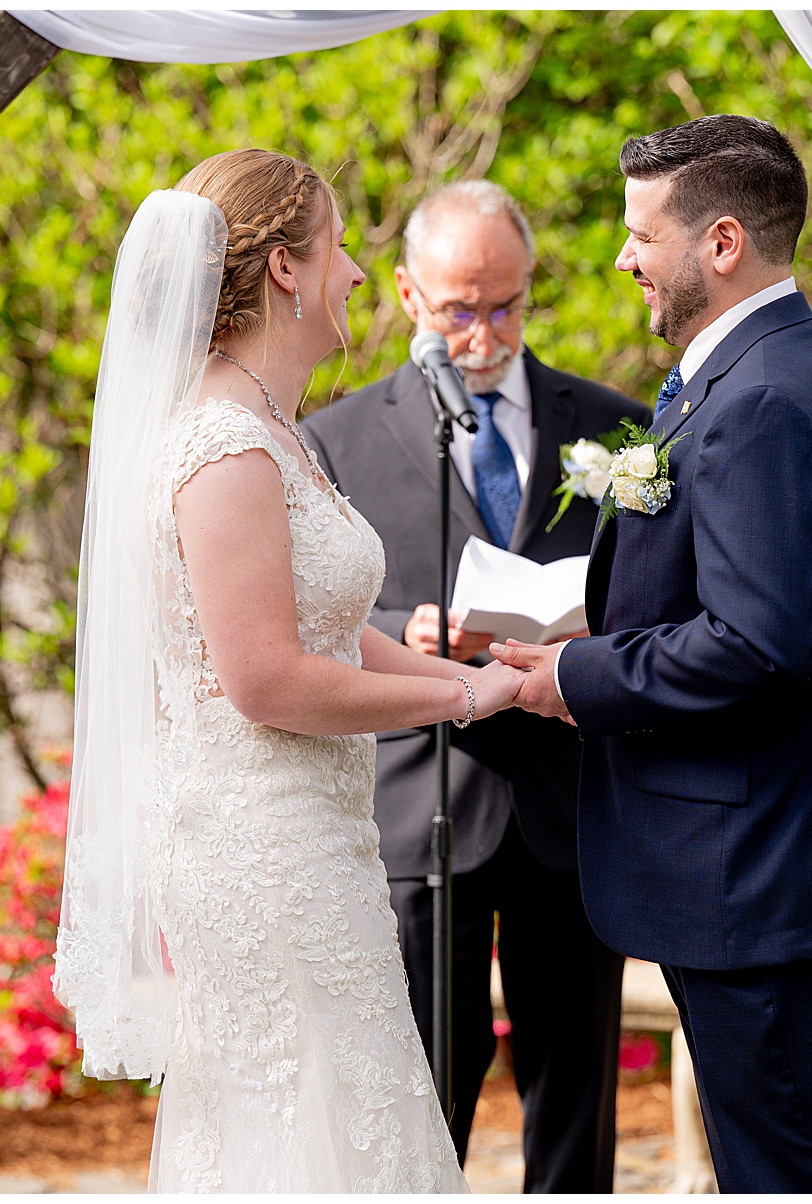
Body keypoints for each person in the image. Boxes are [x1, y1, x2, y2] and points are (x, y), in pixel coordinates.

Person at [53, 148, 525, 1192]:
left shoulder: (272, 430)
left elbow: (331, 625)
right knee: (309, 1119)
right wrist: (459, 697)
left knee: (349, 1115)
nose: (356, 272)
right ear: (284, 271)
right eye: (343, 245)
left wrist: (491, 667)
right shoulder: (224, 446)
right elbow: (266, 677)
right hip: (264, 851)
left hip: (317, 838)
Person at [492, 115, 812, 1192]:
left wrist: (573, 678)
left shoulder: (766, 398)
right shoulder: (773, 368)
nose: (622, 258)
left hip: (776, 885)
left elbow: (758, 643)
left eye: (641, 235)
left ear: (723, 242)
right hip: (779, 874)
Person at [301, 181, 648, 1191]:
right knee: (419, 1097)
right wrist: (400, 631)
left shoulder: (618, 435)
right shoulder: (337, 437)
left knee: (574, 1096)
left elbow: (658, 597)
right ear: (408, 294)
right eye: (460, 306)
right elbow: (308, 619)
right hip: (422, 806)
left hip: (571, 804)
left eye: (507, 303)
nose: (485, 330)